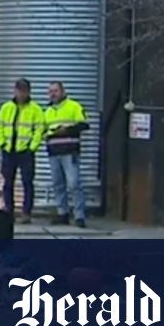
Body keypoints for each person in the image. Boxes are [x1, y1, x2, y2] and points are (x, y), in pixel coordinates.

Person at [0, 78, 45, 224]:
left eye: (24, 91)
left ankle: (26, 212)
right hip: (9, 150)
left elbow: (39, 128)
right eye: (19, 91)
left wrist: (32, 147)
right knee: (7, 182)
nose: (21, 94)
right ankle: (8, 211)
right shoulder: (6, 108)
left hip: (25, 152)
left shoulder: (35, 109)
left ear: (28, 92)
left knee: (27, 182)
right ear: (15, 91)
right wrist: (2, 143)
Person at [44, 81, 90, 228]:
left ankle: (79, 216)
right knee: (58, 185)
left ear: (63, 92)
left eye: (55, 91)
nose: (53, 94)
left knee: (74, 184)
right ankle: (62, 213)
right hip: (54, 153)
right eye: (50, 91)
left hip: (69, 152)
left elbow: (84, 124)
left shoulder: (74, 106)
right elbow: (42, 130)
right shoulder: (47, 111)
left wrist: (66, 130)